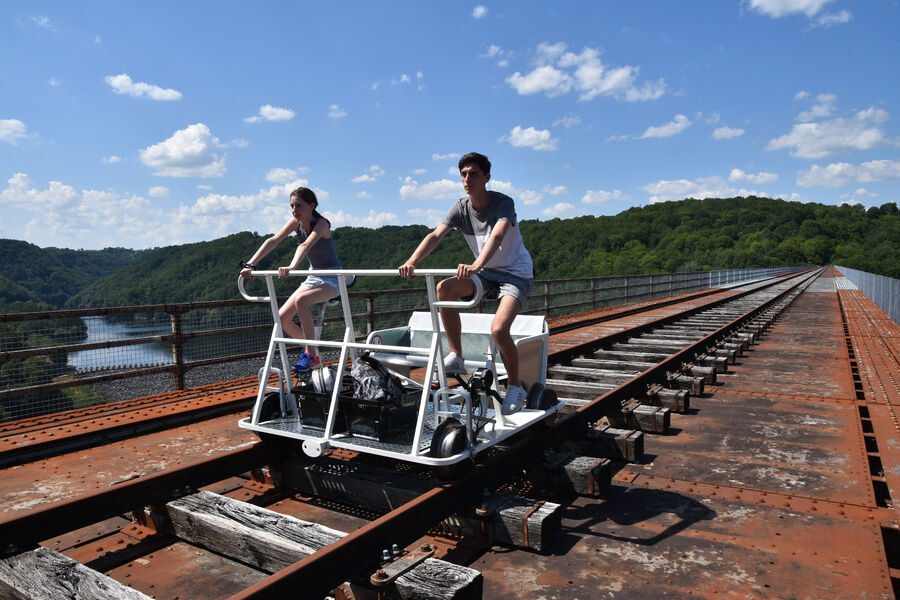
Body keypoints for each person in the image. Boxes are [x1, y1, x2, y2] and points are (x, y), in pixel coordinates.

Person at [399, 152, 534, 415]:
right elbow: (435, 235)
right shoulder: (460, 207)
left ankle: (516, 386)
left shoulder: (503, 203)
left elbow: (496, 236)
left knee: (498, 330)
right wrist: (412, 260)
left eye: (473, 174)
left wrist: (476, 265)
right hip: (485, 271)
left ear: (486, 177)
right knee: (444, 289)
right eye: (463, 174)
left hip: (516, 273)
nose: (467, 179)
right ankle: (457, 356)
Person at [240, 186, 344, 372]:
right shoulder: (295, 222)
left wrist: (292, 266)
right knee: (281, 317)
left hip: (333, 278)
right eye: (292, 206)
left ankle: (311, 355)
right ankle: (310, 350)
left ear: (312, 205)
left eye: (299, 206)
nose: (295, 210)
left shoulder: (321, 224)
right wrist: (250, 264)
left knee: (301, 300)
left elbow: (305, 244)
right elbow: (273, 240)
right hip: (314, 275)